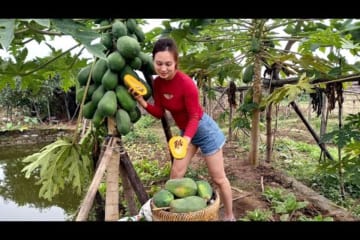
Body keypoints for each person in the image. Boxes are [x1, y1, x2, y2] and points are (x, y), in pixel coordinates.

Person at [130, 37, 235, 221]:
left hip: (204, 131)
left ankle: (230, 215)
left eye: (168, 64)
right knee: (175, 175)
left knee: (219, 179)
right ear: (153, 61)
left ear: (176, 62)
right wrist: (142, 102)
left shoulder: (187, 84)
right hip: (187, 133)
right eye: (159, 63)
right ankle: (176, 213)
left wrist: (185, 139)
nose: (163, 68)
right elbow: (160, 112)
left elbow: (195, 116)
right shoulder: (158, 83)